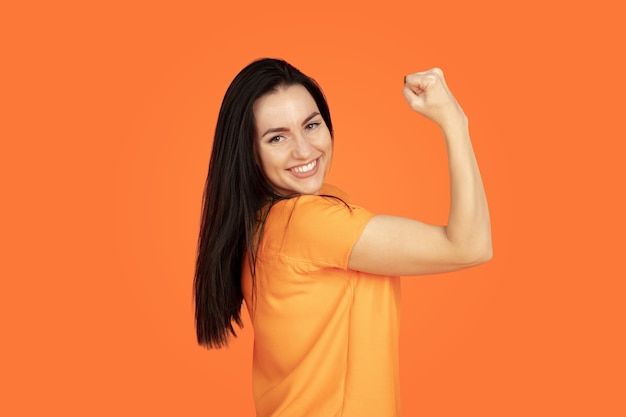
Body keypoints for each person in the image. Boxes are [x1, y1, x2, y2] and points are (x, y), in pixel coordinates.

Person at [194, 58, 492, 417]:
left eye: (311, 125)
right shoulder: (307, 222)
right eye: (277, 137)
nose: (304, 150)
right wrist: (455, 122)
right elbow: (469, 246)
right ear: (250, 154)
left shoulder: (263, 221)